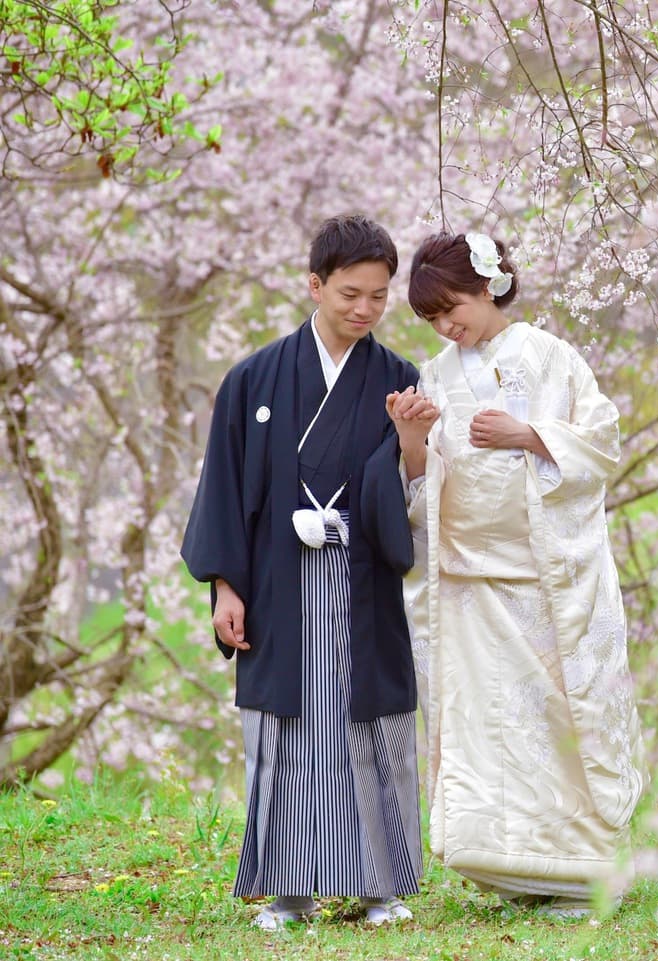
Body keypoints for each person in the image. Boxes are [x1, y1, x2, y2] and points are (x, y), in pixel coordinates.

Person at [387, 230, 645, 918]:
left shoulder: (550, 357)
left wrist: (528, 435)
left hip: (543, 579)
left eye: (452, 308)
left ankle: (582, 873)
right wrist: (414, 440)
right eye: (433, 318)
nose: (446, 326)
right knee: (484, 727)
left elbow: (601, 440)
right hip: (468, 582)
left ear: (487, 287)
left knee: (554, 718)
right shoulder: (435, 375)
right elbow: (422, 487)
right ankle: (509, 868)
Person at [181, 215, 424, 930]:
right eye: (350, 292)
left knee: (370, 726)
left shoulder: (397, 379)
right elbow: (222, 488)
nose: (365, 309)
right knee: (286, 731)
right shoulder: (254, 377)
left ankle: (381, 887)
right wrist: (227, 585)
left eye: (379, 296)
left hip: (361, 581)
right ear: (314, 284)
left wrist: (412, 440)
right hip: (278, 583)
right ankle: (291, 891)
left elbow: (412, 495)